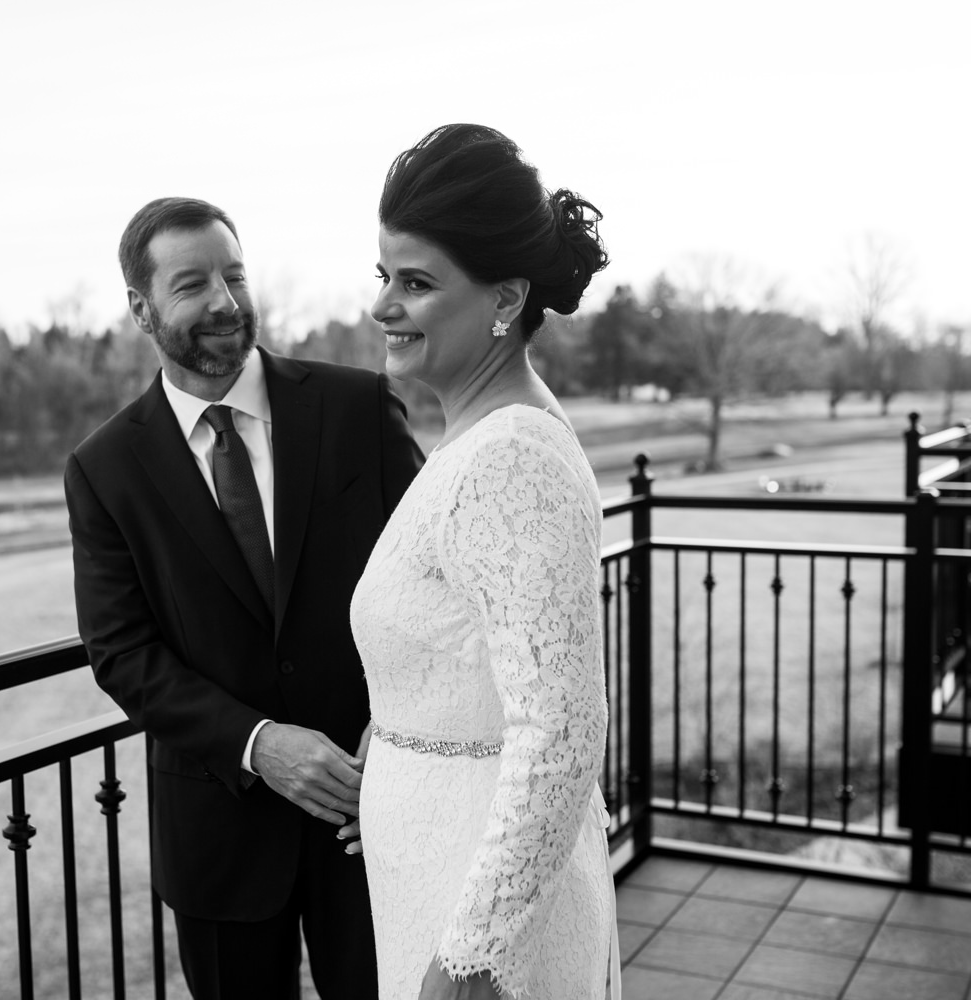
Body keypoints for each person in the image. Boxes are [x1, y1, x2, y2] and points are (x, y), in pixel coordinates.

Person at [65, 196, 424, 1000]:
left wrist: (396, 726)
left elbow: (432, 580)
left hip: (375, 810)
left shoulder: (355, 406)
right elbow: (121, 652)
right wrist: (260, 744)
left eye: (234, 274)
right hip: (220, 838)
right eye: (192, 284)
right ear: (142, 308)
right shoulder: (105, 468)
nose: (226, 302)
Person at [348, 125, 620, 1000]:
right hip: (431, 863)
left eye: (417, 283)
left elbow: (564, 731)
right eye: (384, 276)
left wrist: (474, 958)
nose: (384, 305)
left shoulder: (511, 458)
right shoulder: (473, 437)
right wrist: (393, 741)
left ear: (504, 299)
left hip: (476, 912)